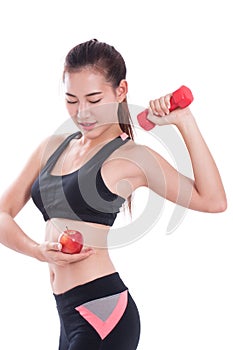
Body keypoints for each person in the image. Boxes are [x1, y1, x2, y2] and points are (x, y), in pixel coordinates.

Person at [0, 39, 227, 350]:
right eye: (71, 99)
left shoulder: (132, 158)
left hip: (102, 312)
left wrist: (184, 122)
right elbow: (2, 213)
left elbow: (213, 200)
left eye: (94, 99)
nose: (82, 112)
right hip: (66, 313)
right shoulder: (51, 147)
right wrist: (37, 250)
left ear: (121, 91)